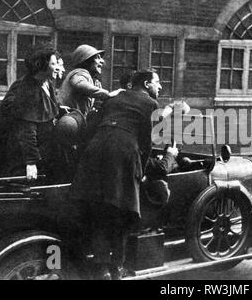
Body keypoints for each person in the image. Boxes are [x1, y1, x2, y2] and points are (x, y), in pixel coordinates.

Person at [71, 69, 177, 280]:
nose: (160, 87)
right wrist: (141, 172)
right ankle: (116, 267)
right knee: (121, 212)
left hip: (95, 152)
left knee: (99, 210)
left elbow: (93, 126)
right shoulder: (150, 104)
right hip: (122, 155)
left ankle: (101, 268)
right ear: (146, 84)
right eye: (157, 83)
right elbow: (146, 144)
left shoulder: (115, 97)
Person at [0, 44, 63, 180]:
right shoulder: (28, 90)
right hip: (24, 152)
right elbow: (26, 129)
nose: (58, 67)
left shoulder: (47, 83)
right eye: (54, 64)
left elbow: (47, 108)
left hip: (42, 147)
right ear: (41, 65)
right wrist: (31, 163)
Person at [55, 44, 124, 116]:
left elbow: (96, 103)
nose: (102, 61)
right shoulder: (79, 72)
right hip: (66, 120)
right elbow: (80, 84)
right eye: (97, 58)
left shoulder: (94, 81)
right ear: (87, 61)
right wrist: (107, 94)